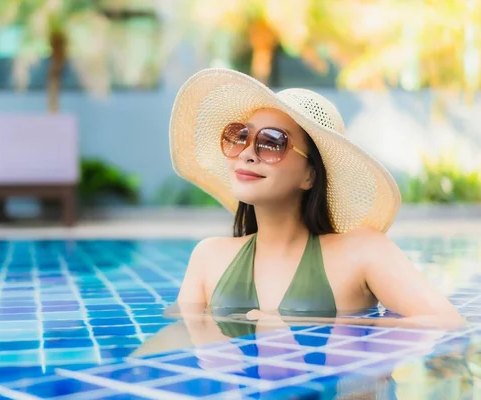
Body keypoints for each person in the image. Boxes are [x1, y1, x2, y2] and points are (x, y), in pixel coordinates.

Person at [166, 67, 464, 330]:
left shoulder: (362, 252)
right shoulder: (208, 257)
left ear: (310, 174)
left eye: (271, 143)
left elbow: (445, 322)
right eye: (241, 136)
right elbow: (181, 339)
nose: (247, 154)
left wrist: (316, 323)